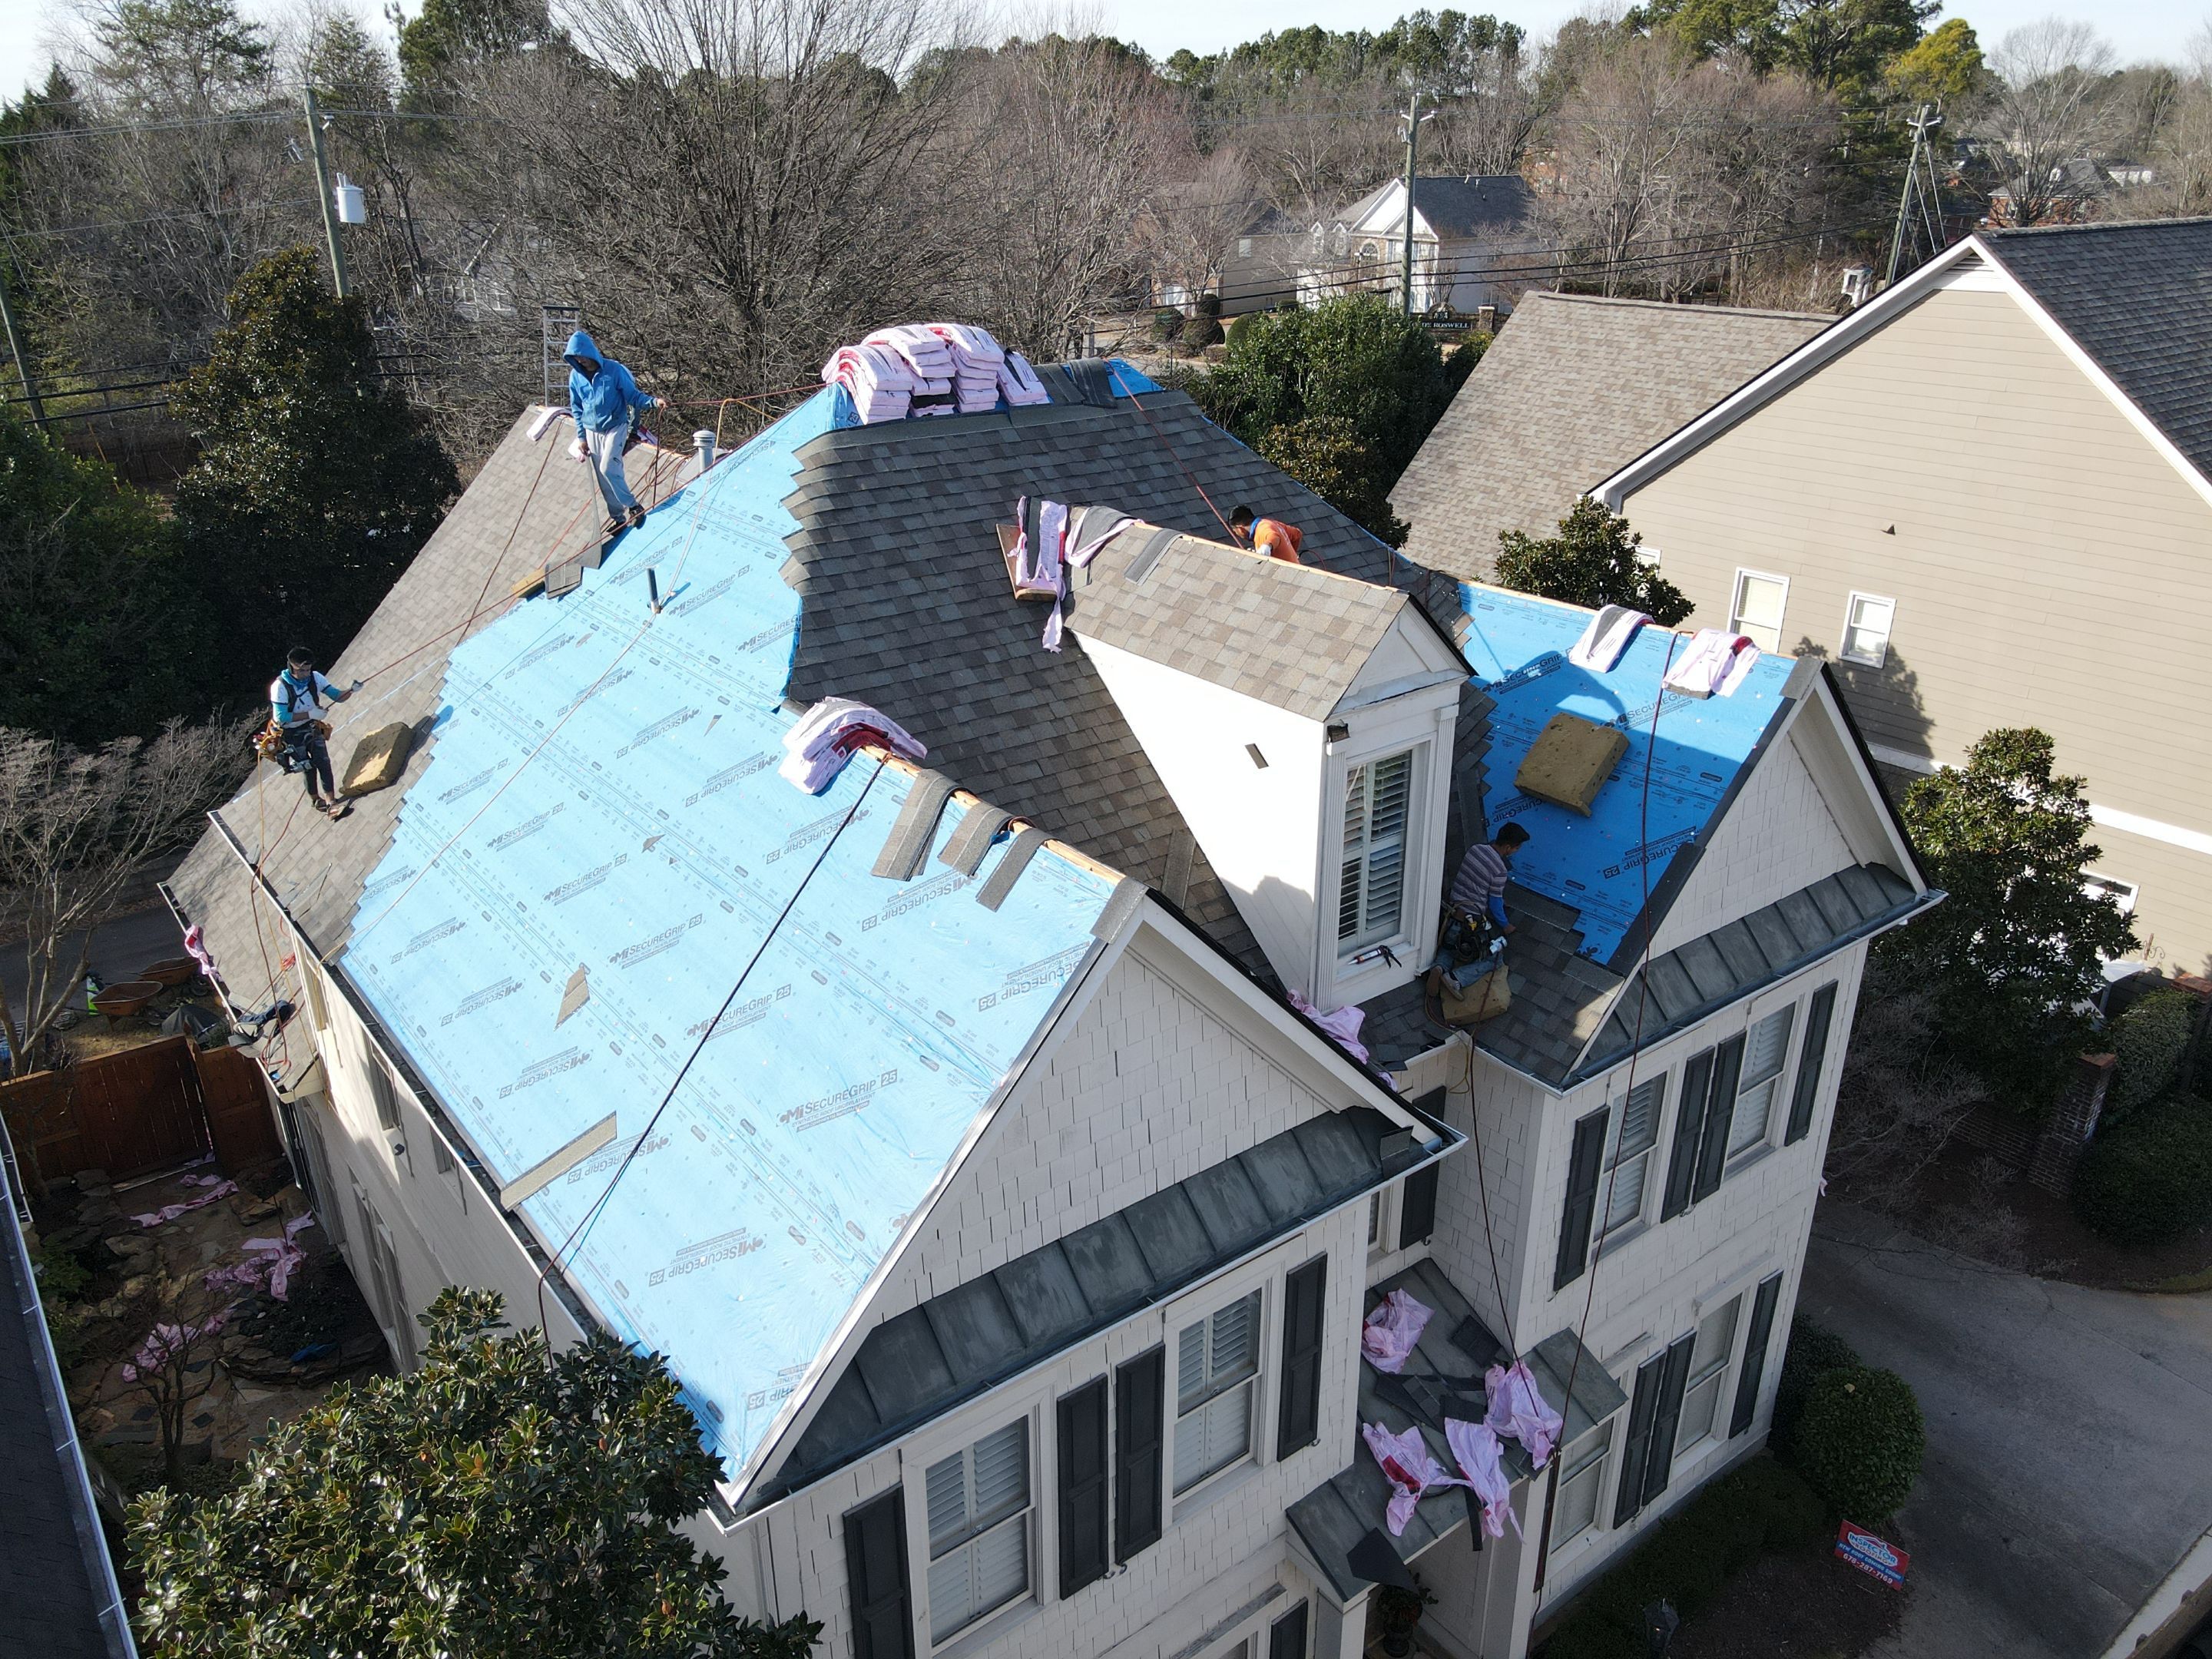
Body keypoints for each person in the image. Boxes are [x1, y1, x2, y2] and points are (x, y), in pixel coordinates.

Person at [564, 329, 664, 533]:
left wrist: (654, 402)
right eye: (576, 357)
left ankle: (634, 507)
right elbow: (577, 407)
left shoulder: (613, 371)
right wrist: (581, 437)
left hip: (615, 426)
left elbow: (633, 396)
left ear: (590, 352)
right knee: (604, 482)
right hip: (591, 431)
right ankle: (618, 519)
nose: (580, 360)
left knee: (608, 468)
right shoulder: (576, 377)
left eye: (581, 355)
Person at [270, 647, 359, 820]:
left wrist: (351, 690)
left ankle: (331, 803)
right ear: (292, 667)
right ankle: (315, 799)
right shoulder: (280, 687)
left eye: (308, 669)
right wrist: (310, 714)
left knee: (323, 763)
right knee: (308, 767)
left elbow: (337, 697)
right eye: (302, 670)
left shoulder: (315, 678)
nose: (305, 673)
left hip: (311, 727)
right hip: (291, 733)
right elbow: (281, 717)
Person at [1449, 822, 1529, 937]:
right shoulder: (1500, 870)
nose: (1516, 851)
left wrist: (1500, 900)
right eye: (1516, 848)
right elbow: (1494, 904)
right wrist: (1505, 925)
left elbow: (1477, 881)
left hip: (1454, 902)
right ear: (1507, 847)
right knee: (1494, 947)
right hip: (1472, 914)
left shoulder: (1475, 848)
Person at [1229, 503, 1303, 565]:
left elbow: (1274, 537)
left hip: (1286, 576)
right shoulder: (1272, 523)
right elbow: (1297, 534)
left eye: (1235, 531)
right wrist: (1290, 556)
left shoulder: (1263, 528)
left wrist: (1266, 546)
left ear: (1240, 528)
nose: (1237, 534)